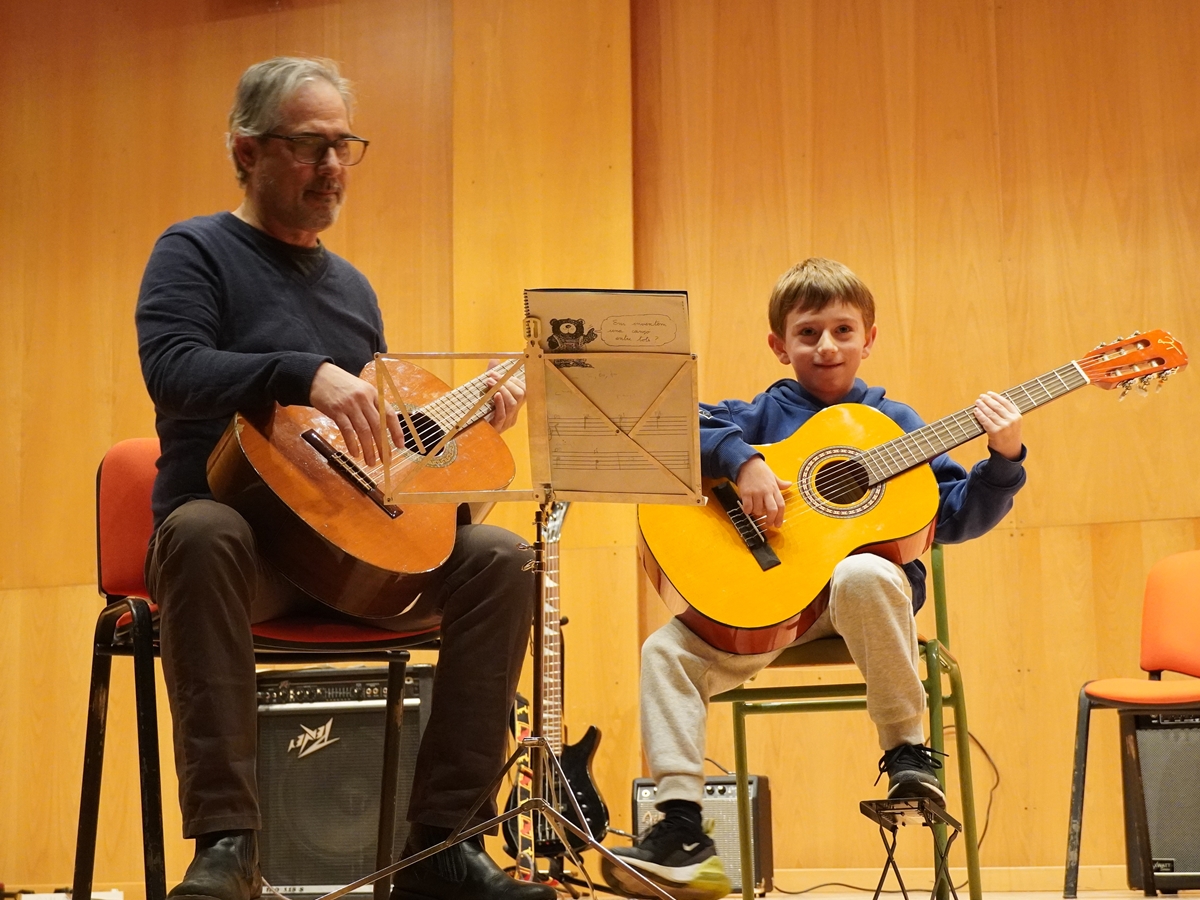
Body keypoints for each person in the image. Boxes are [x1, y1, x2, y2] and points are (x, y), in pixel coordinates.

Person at [136, 57, 555, 900]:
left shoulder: (353, 290)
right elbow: (173, 370)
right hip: (240, 553)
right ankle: (227, 847)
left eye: (343, 146)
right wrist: (299, 371)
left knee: (504, 560)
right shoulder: (194, 251)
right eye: (309, 145)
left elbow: (371, 450)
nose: (332, 167)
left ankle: (443, 845)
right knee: (199, 529)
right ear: (246, 151)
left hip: (349, 559)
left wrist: (463, 431)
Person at [603, 258, 1027, 900]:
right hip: (773, 603)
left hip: (861, 607)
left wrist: (1003, 457)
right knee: (665, 651)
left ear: (869, 337)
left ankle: (908, 754)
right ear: (780, 346)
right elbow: (668, 427)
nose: (826, 346)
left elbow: (959, 516)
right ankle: (681, 828)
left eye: (842, 330)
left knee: (861, 571)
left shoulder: (896, 425)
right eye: (807, 333)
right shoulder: (757, 415)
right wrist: (739, 459)